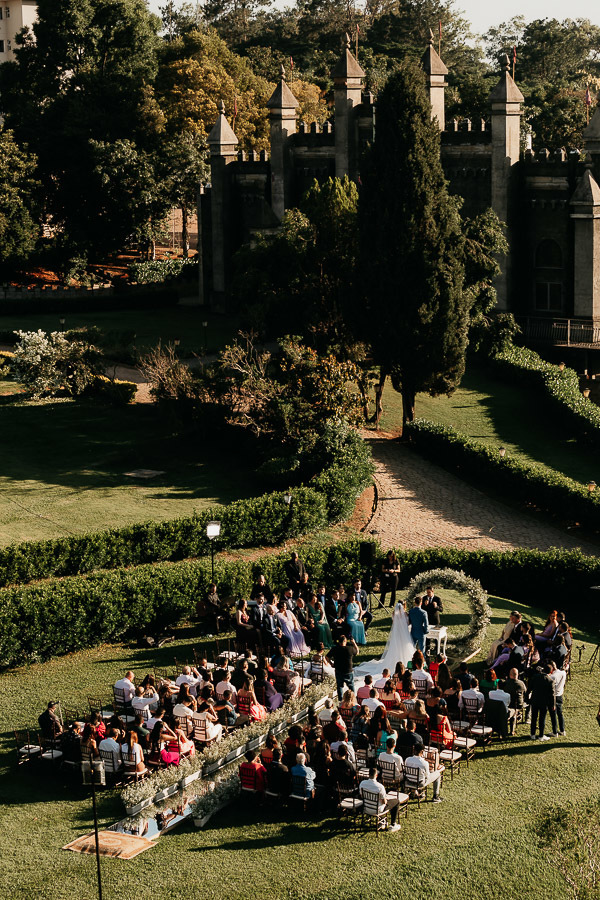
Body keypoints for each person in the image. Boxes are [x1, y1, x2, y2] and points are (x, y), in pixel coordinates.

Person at [356, 600, 414, 679]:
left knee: (395, 647)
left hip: (396, 634)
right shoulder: (405, 614)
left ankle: (396, 662)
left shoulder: (394, 614)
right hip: (404, 634)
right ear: (404, 606)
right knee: (404, 647)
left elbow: (394, 623)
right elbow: (407, 624)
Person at [359, 765, 401, 831]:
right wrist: (386, 800)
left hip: (366, 808)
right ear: (376, 776)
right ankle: (393, 824)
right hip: (377, 810)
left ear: (368, 774)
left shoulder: (362, 783)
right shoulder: (380, 787)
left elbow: (361, 796)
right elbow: (384, 802)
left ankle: (382, 821)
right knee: (396, 801)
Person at [528, 665, 555, 741]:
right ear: (550, 672)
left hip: (535, 700)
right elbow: (552, 694)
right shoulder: (550, 680)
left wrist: (527, 697)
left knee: (534, 717)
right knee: (542, 719)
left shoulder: (535, 677)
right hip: (544, 702)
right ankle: (541, 735)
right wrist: (553, 704)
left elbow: (530, 688)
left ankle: (532, 734)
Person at [327, 634, 358, 701]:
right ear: (345, 641)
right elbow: (357, 652)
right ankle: (353, 699)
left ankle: (340, 701)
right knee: (351, 686)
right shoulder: (350, 649)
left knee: (340, 686)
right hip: (348, 670)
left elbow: (326, 657)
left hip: (338, 670)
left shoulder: (335, 649)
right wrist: (354, 643)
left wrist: (331, 663)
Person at [548, 660, 567, 736]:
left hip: (553, 697)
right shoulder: (563, 673)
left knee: (553, 715)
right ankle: (562, 730)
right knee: (560, 714)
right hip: (560, 695)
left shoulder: (552, 677)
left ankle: (554, 732)